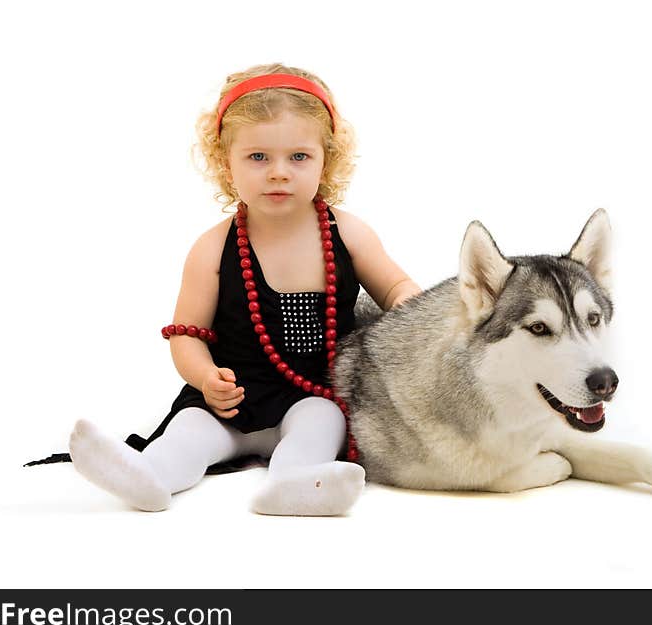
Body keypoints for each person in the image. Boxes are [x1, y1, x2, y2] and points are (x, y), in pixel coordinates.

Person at [68, 63, 421, 515]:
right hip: (227, 401)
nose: (278, 173)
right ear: (225, 162)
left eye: (298, 157)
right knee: (189, 430)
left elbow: (395, 287)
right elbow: (187, 333)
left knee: (323, 421)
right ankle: (149, 475)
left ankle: (294, 483)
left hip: (311, 391)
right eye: (258, 157)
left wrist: (417, 310)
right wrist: (204, 378)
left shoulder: (349, 235)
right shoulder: (212, 248)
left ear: (326, 160)